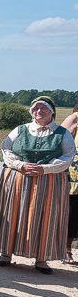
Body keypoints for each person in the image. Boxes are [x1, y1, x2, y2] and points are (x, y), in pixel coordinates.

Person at [0, 96, 76, 275]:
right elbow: (5, 148)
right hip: (19, 178)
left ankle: (41, 258)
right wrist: (20, 164)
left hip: (49, 181)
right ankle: (5, 253)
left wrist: (45, 168)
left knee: (45, 217)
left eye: (43, 108)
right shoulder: (21, 129)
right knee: (12, 213)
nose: (39, 111)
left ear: (52, 112)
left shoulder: (62, 133)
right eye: (36, 108)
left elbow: (68, 155)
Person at [63, 106, 78, 265]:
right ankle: (66, 250)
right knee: (73, 213)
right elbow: (58, 141)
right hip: (75, 175)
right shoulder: (75, 118)